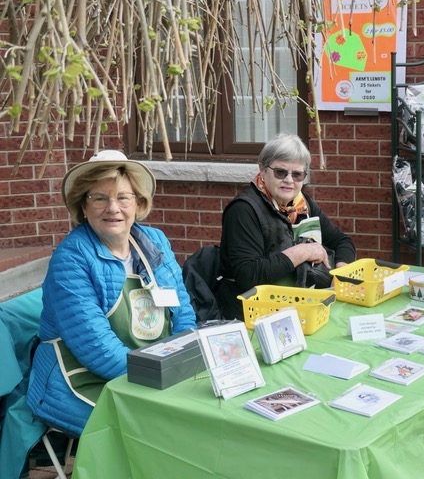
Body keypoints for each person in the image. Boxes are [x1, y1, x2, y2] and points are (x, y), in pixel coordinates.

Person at [26, 150, 196, 437]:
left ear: (138, 203)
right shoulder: (72, 258)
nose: (113, 208)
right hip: (81, 378)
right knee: (157, 429)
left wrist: (183, 363)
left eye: (123, 197)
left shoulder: (154, 241)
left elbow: (182, 312)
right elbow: (95, 347)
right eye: (99, 198)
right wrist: (162, 379)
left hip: (153, 369)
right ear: (83, 205)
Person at [218, 132, 356, 321]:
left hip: (302, 311)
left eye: (297, 174)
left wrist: (340, 273)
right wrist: (302, 252)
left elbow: (341, 241)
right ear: (262, 169)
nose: (289, 180)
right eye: (280, 172)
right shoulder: (243, 210)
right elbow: (248, 275)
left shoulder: (302, 204)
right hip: (254, 317)